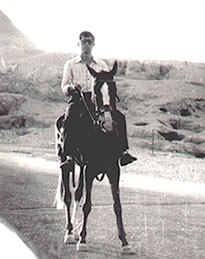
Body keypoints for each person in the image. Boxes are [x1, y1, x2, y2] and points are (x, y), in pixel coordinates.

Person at [57, 31, 136, 169]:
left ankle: (123, 152)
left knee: (119, 117)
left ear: (93, 44)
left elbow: (107, 81)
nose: (86, 45)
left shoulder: (101, 64)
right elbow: (64, 85)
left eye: (89, 42)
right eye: (83, 42)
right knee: (69, 118)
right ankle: (68, 155)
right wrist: (71, 88)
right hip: (79, 99)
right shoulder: (71, 64)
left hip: (98, 100)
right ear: (79, 44)